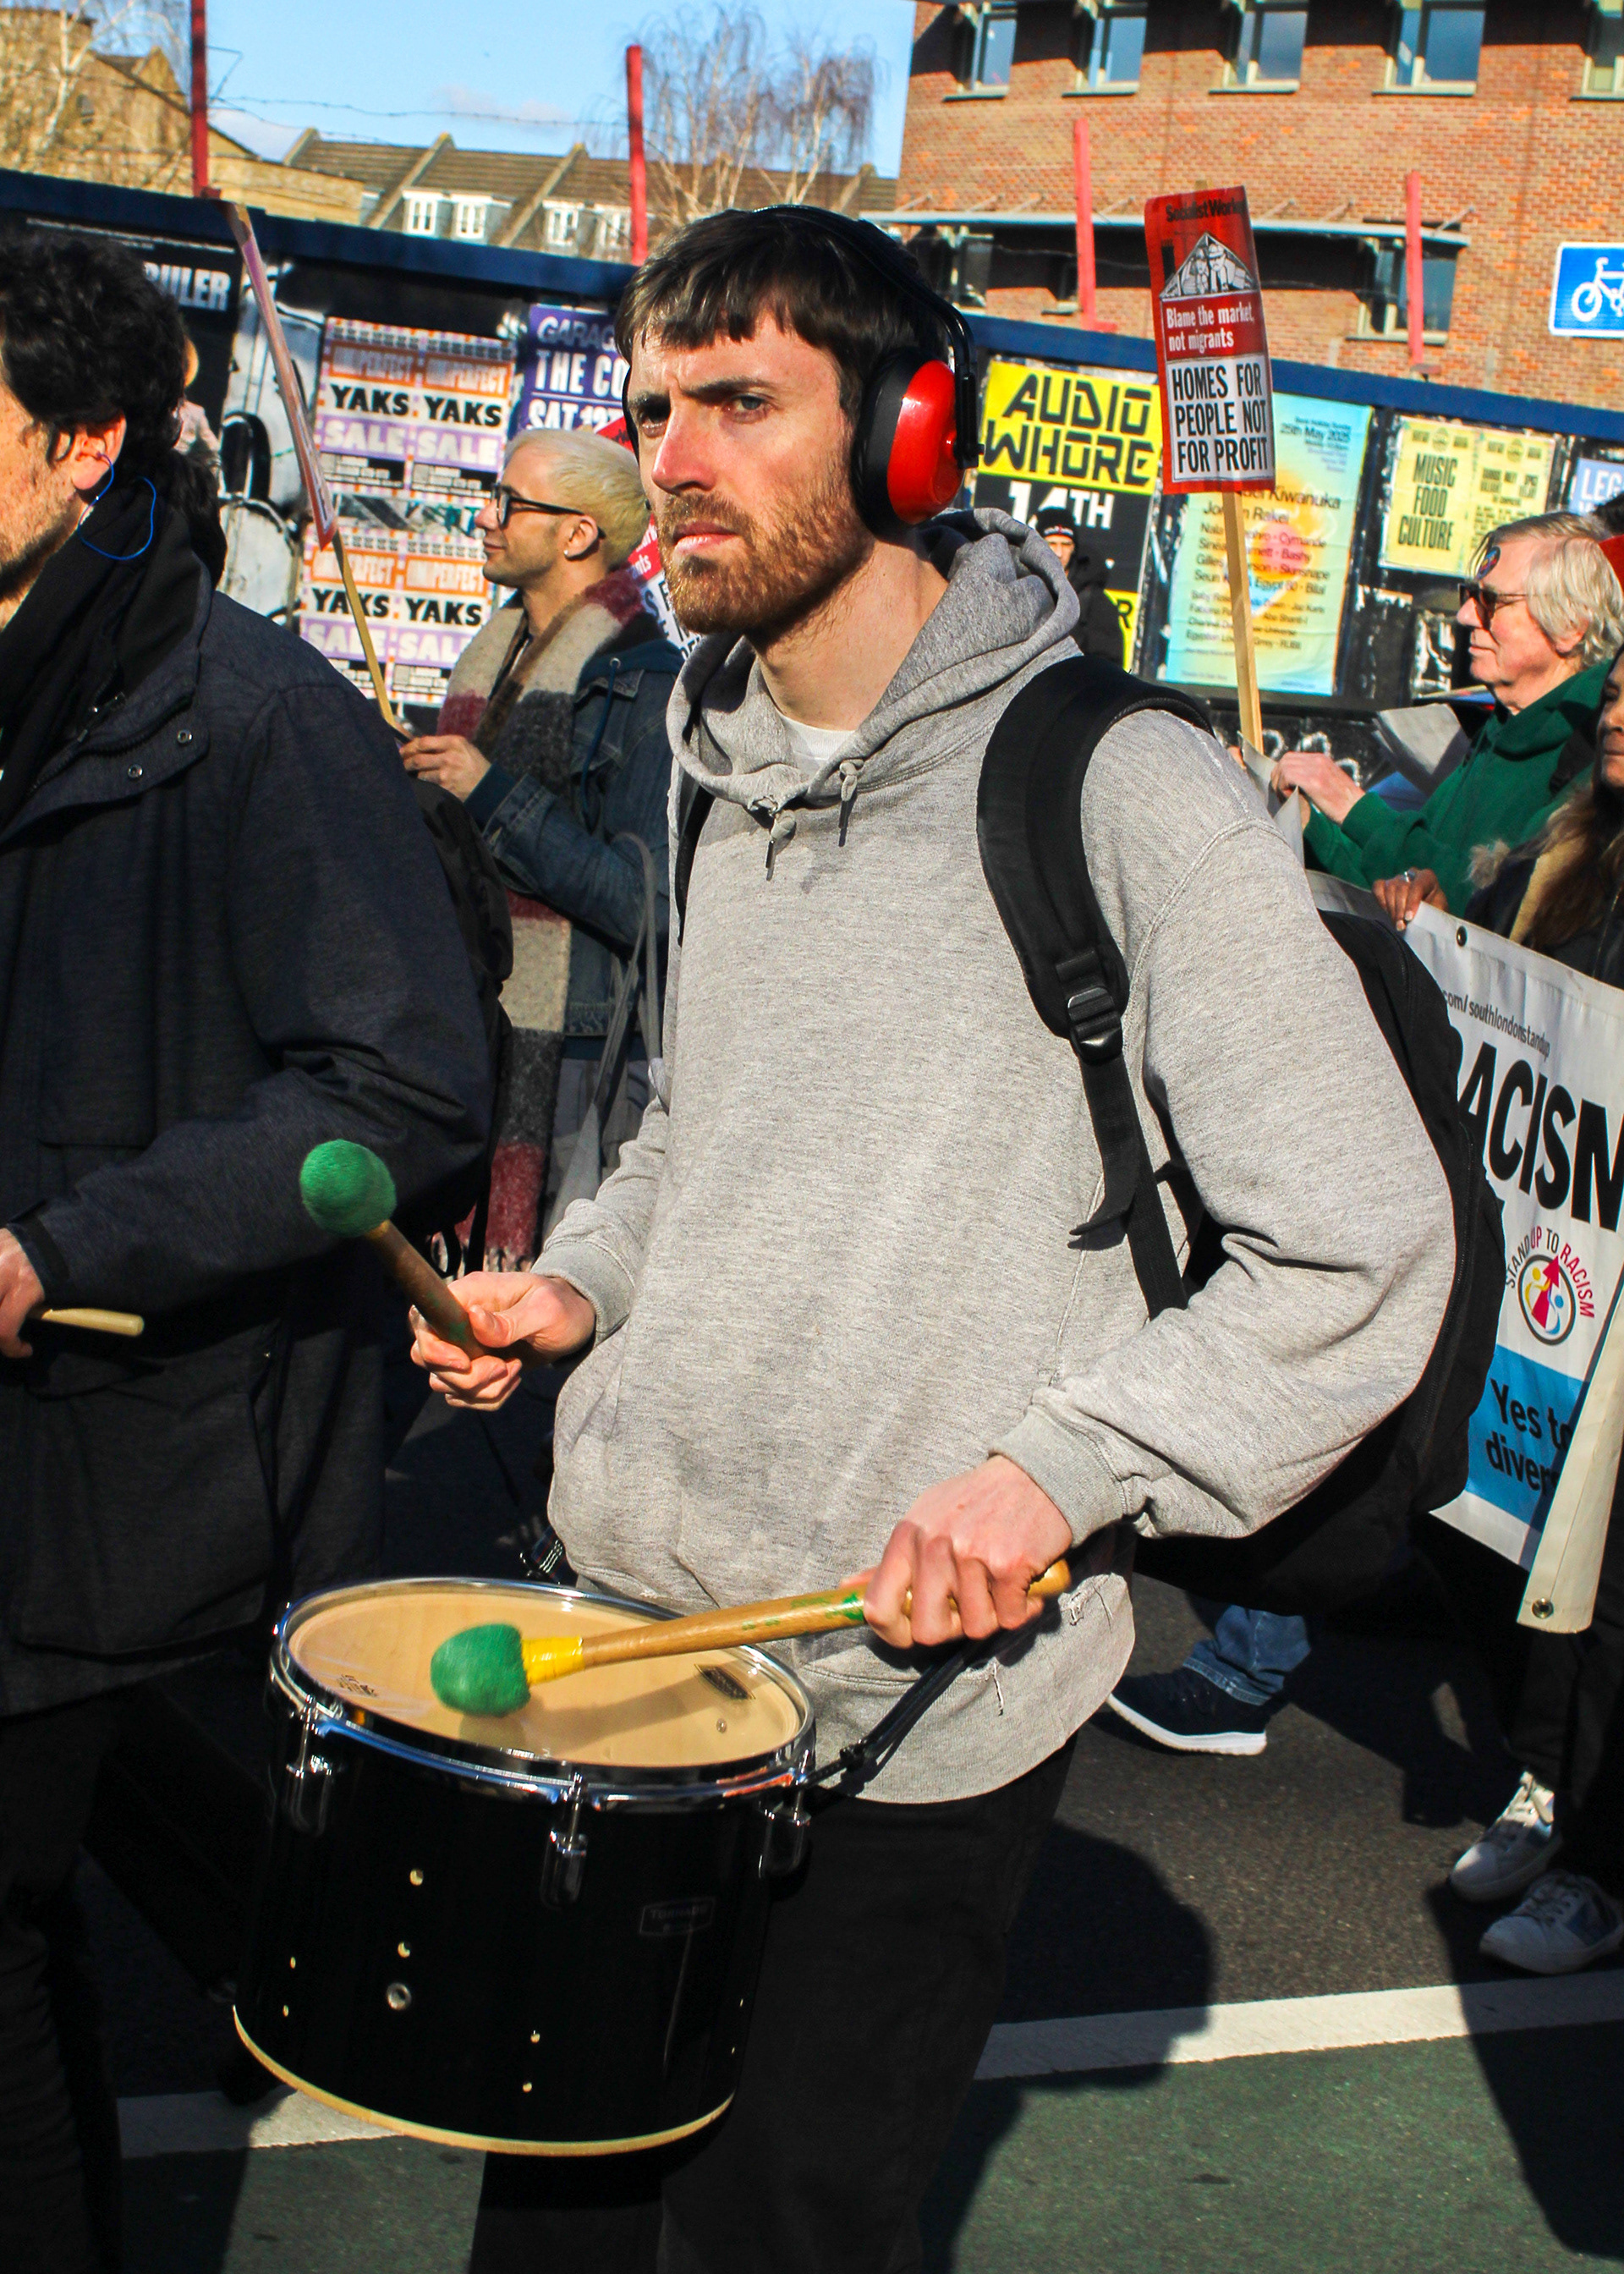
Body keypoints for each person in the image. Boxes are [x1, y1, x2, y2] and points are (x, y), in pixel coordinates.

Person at [410, 206, 1455, 2273]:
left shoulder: (1127, 789)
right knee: (546, 2224)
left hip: (908, 1714)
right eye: (650, 410)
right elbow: (695, 1132)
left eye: (738, 406)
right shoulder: (709, 772)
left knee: (780, 2241)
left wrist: (1056, 1478)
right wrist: (581, 1284)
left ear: (905, 436)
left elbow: (1356, 1248)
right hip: (629, 1650)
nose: (674, 460)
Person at [0, 231, 491, 2273]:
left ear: (82, 445)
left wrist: (57, 1238)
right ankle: (297, 1927)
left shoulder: (255, 719)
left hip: (125, 1453)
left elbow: (404, 1091)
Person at [1421, 645, 1624, 1974]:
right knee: (1505, 1537)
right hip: (1564, 1270)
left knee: (1609, 1593)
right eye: (1615, 696)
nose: (1612, 715)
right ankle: (1546, 1786)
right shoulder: (1577, 852)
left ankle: (1600, 1865)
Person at [401, 428, 681, 1252]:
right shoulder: (489, 659)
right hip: (464, 1040)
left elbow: (646, 909)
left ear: (578, 533)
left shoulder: (646, 681)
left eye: (510, 503)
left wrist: (488, 792)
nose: (486, 519)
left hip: (567, 1071)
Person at [1275, 512, 1622, 913]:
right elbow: (1399, 892)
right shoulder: (1502, 729)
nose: (1465, 616)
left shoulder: (1600, 750)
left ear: (1571, 625)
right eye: (1470, 596)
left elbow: (1496, 905)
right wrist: (1304, 824)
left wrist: (1353, 805)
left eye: (1491, 602)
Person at [1032, 501, 1124, 663]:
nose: (1059, 553)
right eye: (1052, 544)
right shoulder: (1020, 584)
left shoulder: (1092, 599)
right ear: (1038, 545)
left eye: (1066, 545)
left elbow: (1107, 663)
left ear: (1074, 548)